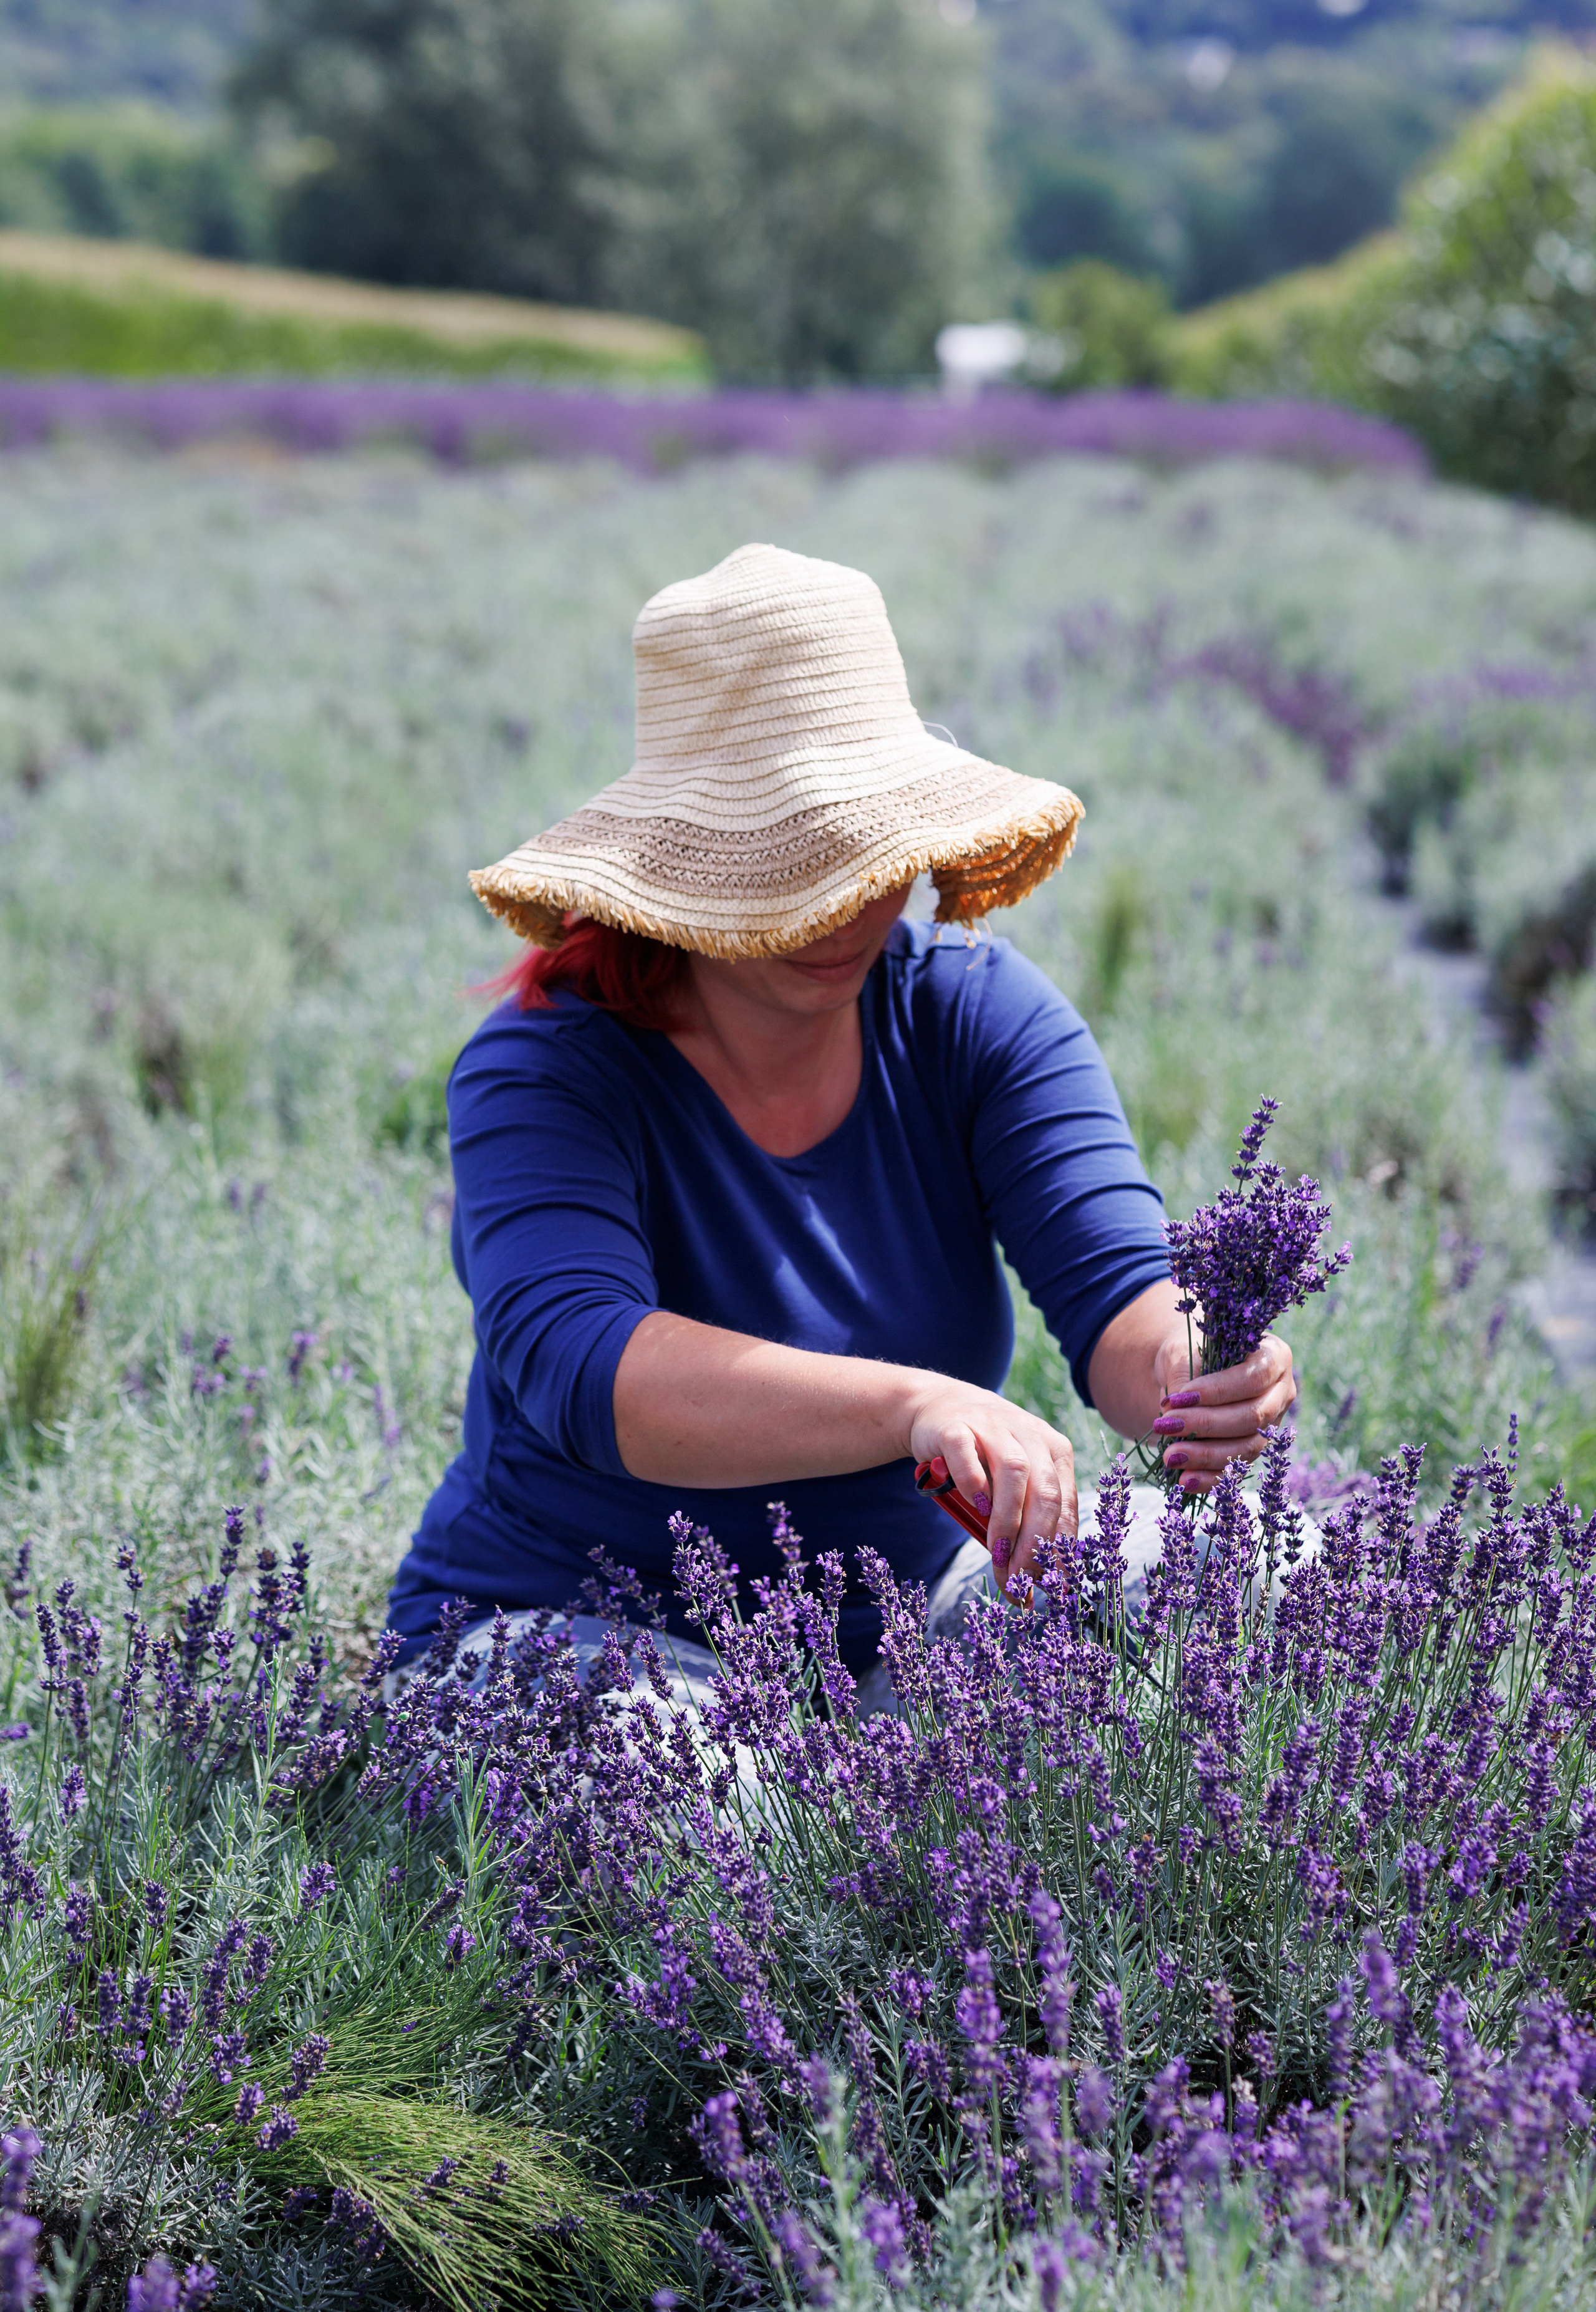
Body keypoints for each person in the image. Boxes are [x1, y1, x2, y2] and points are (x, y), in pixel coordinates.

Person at [387, 543, 1296, 1680]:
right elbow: (589, 1371)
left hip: (904, 1632)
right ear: (689, 861)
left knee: (1280, 1570)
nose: (843, 905)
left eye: (869, 848)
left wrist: (1200, 1371)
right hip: (576, 1637)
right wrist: (911, 1405)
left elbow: (1118, 1295)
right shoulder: (547, 1069)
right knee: (695, 1774)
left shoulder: (972, 1015)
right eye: (789, 857)